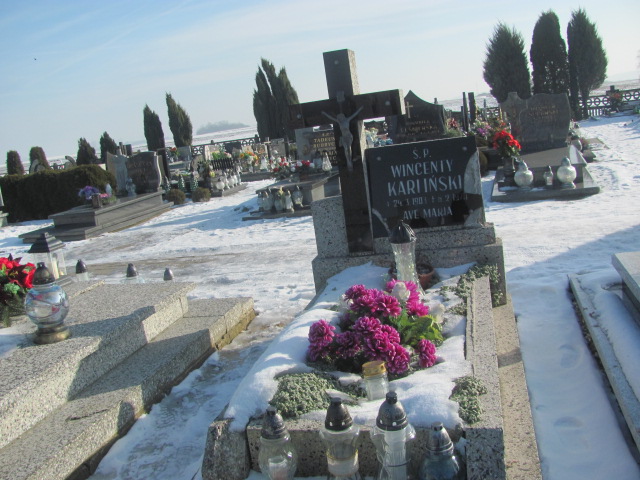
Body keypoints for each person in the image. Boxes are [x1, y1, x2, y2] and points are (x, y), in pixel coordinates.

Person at [321, 106, 363, 171]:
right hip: (343, 137)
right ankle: (348, 161)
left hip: (349, 136)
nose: (339, 118)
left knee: (349, 148)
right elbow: (331, 117)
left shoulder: (347, 120)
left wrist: (360, 109)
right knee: (345, 149)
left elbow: (354, 114)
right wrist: (324, 113)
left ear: (342, 116)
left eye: (340, 117)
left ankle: (350, 161)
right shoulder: (339, 122)